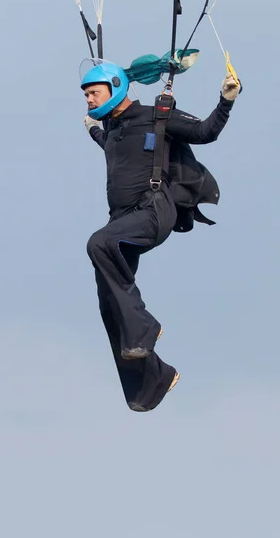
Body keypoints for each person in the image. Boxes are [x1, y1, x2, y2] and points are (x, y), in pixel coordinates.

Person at [81, 60, 241, 412]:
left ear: (115, 88)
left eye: (94, 93)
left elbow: (205, 132)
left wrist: (226, 100)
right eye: (87, 95)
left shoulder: (157, 116)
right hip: (122, 220)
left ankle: (145, 329)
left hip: (154, 212)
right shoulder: (113, 131)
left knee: (98, 243)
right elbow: (109, 144)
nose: (89, 100)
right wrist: (93, 129)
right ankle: (154, 379)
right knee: (108, 304)